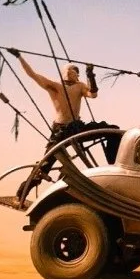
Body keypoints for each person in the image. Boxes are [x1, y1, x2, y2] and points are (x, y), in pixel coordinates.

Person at [8, 48, 99, 195]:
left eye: (76, 71)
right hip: (60, 130)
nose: (74, 72)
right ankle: (22, 193)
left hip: (77, 127)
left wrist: (90, 74)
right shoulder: (56, 86)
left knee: (112, 130)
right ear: (65, 72)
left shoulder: (80, 86)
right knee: (45, 164)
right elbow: (33, 75)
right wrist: (19, 57)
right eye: (72, 70)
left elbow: (93, 94)